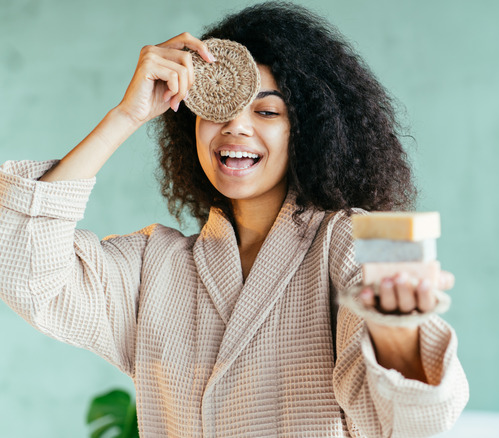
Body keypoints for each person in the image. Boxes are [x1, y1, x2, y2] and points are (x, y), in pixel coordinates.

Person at [0, 2, 468, 437]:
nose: (236, 127)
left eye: (266, 110)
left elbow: (412, 422)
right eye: (218, 109)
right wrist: (126, 115)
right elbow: (23, 267)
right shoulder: (153, 266)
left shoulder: (349, 241)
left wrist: (396, 328)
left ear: (308, 131)